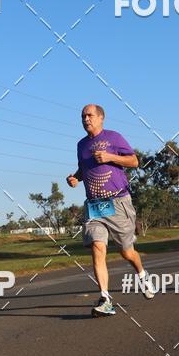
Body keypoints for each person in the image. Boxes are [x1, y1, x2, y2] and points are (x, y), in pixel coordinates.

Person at [66, 104, 155, 316]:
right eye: (83, 116)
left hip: (118, 202)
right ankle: (105, 298)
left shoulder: (114, 138)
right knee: (98, 248)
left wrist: (110, 157)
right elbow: (84, 167)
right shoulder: (81, 145)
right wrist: (75, 178)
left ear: (101, 118)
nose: (85, 119)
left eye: (90, 115)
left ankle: (142, 275)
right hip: (94, 205)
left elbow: (134, 161)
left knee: (127, 252)